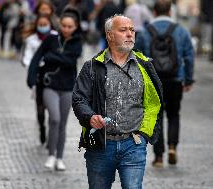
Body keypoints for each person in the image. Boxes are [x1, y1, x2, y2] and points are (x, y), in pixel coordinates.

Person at [72, 15, 163, 188]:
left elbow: (154, 103)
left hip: (134, 144)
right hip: (100, 145)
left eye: (132, 30)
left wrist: (143, 135)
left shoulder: (145, 65)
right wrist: (90, 117)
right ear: (109, 35)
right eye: (123, 30)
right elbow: (79, 99)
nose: (129, 34)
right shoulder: (92, 66)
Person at [135, 0, 195, 167]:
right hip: (175, 79)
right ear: (170, 12)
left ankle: (159, 156)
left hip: (154, 81)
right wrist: (188, 79)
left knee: (157, 117)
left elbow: (138, 57)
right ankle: (172, 147)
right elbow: (189, 56)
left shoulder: (146, 32)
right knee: (174, 115)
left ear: (154, 12)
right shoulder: (181, 31)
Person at [27, 6, 83, 171]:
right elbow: (37, 57)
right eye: (63, 26)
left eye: (70, 26)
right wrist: (31, 77)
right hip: (49, 85)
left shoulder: (77, 42)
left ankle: (59, 157)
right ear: (59, 24)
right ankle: (51, 155)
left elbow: (70, 61)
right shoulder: (50, 39)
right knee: (55, 119)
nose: (66, 29)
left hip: (67, 87)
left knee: (62, 124)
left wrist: (52, 56)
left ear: (75, 27)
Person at [22, 14, 57, 144]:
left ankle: (52, 130)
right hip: (38, 76)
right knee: (40, 107)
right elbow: (26, 57)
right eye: (40, 25)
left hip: (52, 76)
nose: (43, 27)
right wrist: (31, 67)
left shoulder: (55, 36)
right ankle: (42, 127)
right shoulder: (31, 40)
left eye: (45, 24)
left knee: (52, 107)